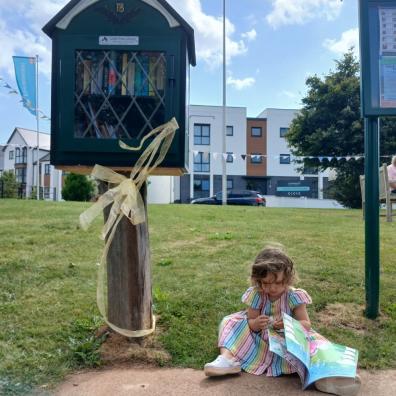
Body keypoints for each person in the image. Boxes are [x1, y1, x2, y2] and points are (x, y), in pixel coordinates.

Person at [204, 245, 361, 396]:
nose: (272, 288)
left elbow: (306, 324)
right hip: (258, 339)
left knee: (315, 342)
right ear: (258, 281)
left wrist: (288, 325)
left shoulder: (294, 296)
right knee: (231, 321)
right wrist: (256, 323)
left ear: (287, 279)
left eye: (277, 283)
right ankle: (228, 359)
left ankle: (331, 374)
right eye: (266, 283)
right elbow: (250, 321)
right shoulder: (257, 294)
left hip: (286, 338)